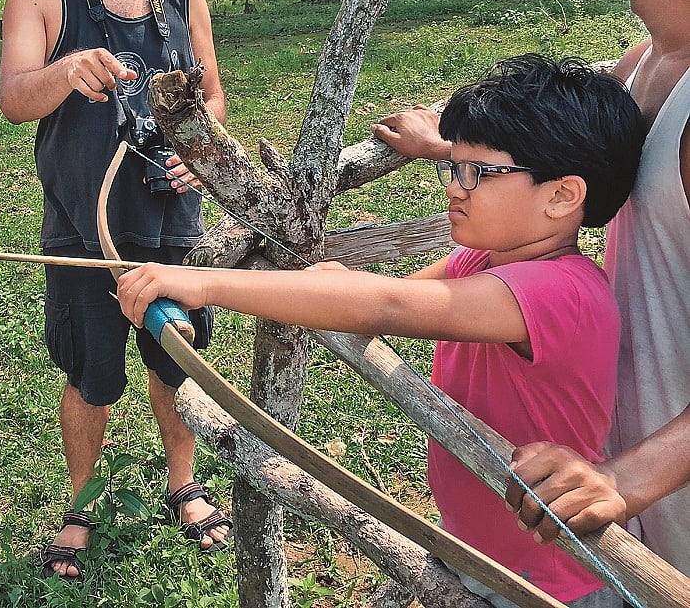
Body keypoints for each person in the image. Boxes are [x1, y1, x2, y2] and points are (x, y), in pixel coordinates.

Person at [117, 54, 646, 608]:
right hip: (483, 548)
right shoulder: (486, 261)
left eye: (476, 172)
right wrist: (338, 286)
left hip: (548, 582)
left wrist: (203, 284)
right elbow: (385, 294)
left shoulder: (561, 292)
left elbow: (386, 305)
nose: (456, 188)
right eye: (453, 166)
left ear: (561, 196)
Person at [370, 0, 690, 576]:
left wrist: (629, 477)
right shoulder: (642, 70)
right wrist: (450, 144)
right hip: (631, 487)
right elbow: (549, 144)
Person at [0, 0, 230, 582]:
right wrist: (66, 71)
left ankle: (183, 484)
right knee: (92, 373)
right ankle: (81, 504)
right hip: (84, 226)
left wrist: (201, 154)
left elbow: (212, 98)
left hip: (171, 219)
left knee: (176, 362)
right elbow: (14, 99)